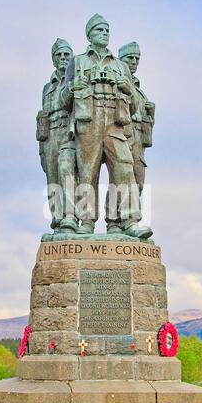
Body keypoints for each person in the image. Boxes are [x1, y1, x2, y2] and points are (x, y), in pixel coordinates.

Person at [61, 14, 152, 239]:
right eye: (99, 30)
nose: (104, 33)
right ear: (89, 35)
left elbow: (136, 107)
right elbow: (63, 101)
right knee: (87, 172)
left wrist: (128, 89)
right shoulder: (78, 61)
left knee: (125, 168)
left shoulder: (120, 66)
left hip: (115, 124)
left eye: (107, 30)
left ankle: (130, 221)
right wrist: (73, 86)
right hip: (88, 123)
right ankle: (86, 221)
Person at [37, 38, 78, 233]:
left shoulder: (76, 79)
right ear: (53, 60)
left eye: (66, 54)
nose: (62, 58)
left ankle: (70, 217)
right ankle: (58, 221)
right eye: (59, 55)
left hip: (68, 132)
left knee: (66, 170)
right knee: (52, 178)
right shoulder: (47, 87)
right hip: (49, 137)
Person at [118, 42, 155, 196]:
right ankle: (114, 218)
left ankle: (131, 215)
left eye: (137, 59)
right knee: (121, 179)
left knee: (139, 181)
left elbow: (149, 123)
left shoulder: (140, 92)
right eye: (130, 58)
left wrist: (151, 113)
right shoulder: (118, 83)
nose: (134, 62)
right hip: (123, 134)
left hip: (139, 140)